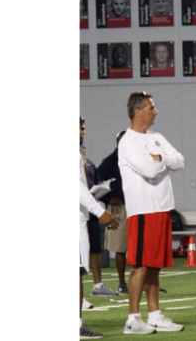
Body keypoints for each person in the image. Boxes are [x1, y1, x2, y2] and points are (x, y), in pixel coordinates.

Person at [118, 91, 185, 334]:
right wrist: (163, 161)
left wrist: (161, 158)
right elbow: (149, 170)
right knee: (141, 265)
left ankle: (154, 315)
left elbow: (180, 161)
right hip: (143, 210)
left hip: (162, 207)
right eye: (150, 108)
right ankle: (132, 319)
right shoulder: (128, 141)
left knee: (154, 265)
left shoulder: (157, 137)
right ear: (138, 112)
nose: (155, 112)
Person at [80, 126, 119, 339]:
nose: (82, 132)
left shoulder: (87, 161)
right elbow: (78, 188)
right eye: (79, 128)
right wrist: (100, 210)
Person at [97, 130, 129, 296]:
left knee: (142, 248)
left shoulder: (137, 160)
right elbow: (95, 183)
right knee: (120, 248)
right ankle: (122, 283)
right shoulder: (110, 161)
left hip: (138, 206)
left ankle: (146, 282)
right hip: (120, 208)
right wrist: (109, 198)